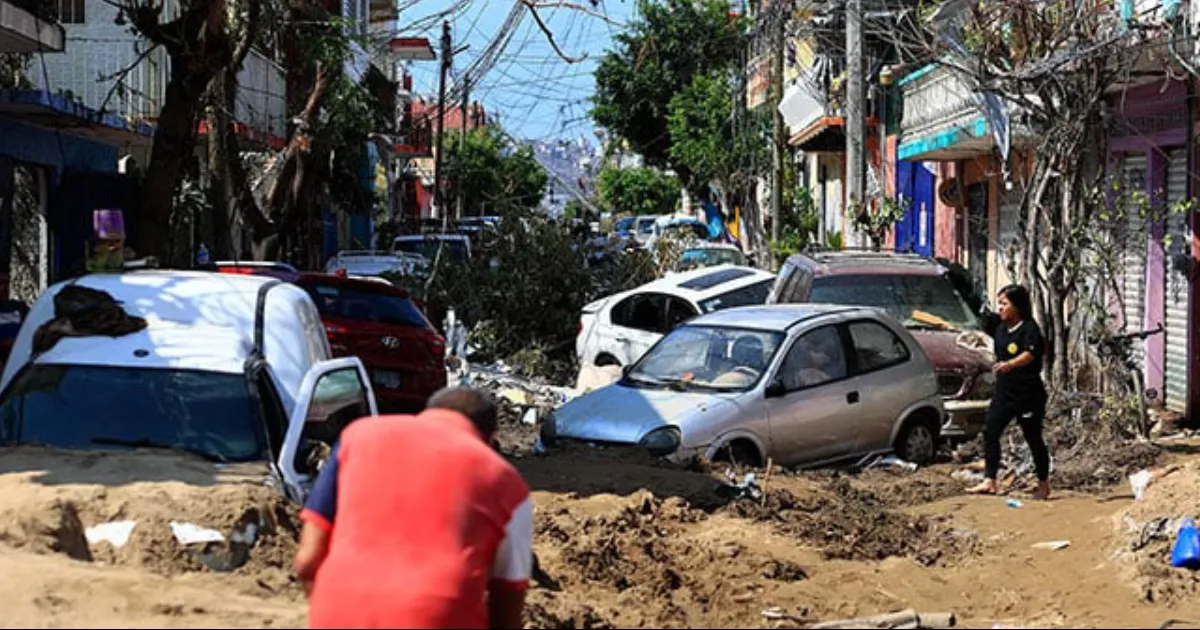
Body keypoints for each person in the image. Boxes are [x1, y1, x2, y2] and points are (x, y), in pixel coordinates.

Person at [292, 387, 533, 629]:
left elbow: (307, 560)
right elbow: (508, 603)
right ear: (489, 439)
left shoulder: (356, 437)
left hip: (337, 611)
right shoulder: (507, 482)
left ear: (426, 413)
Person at [967, 284, 1052, 500]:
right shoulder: (1001, 329)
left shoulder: (1030, 329)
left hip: (1028, 394)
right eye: (1000, 303)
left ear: (1018, 306)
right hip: (1004, 392)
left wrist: (1011, 364)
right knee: (990, 432)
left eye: (1005, 303)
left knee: (1033, 438)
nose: (1001, 308)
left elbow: (1031, 354)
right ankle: (990, 480)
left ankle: (1043, 484)